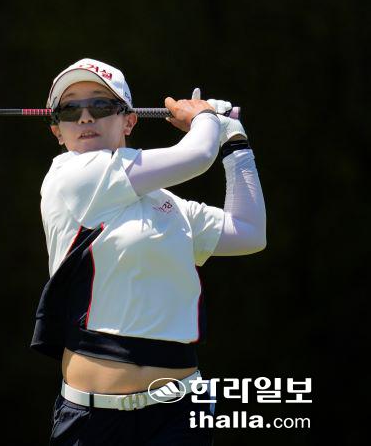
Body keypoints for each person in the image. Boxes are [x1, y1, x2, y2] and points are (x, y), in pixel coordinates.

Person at [30, 58, 266, 445]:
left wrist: (235, 144)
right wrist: (205, 118)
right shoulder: (70, 176)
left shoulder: (170, 206)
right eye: (70, 110)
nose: (85, 117)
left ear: (129, 121)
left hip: (179, 414)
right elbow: (196, 156)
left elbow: (248, 233)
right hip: (94, 420)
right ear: (57, 130)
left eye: (100, 105)